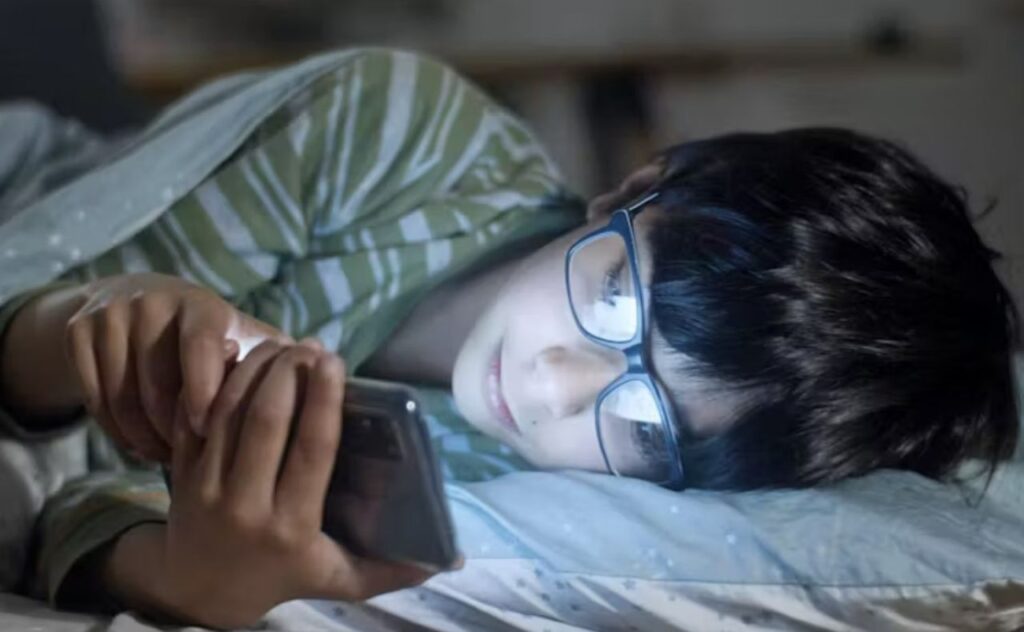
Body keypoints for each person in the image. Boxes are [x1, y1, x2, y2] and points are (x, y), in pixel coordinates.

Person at [0, 48, 1018, 628]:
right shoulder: (387, 132)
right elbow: (36, 280)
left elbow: (70, 510)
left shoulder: (498, 483)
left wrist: (186, 579)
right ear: (633, 189)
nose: (552, 383)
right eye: (616, 297)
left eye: (641, 421)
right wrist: (74, 328)